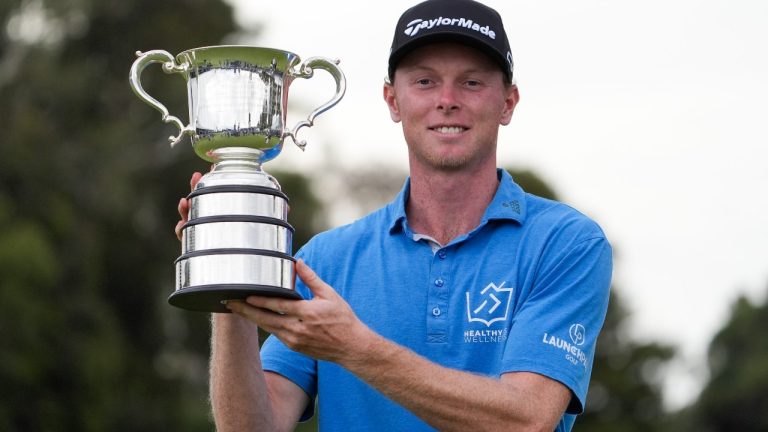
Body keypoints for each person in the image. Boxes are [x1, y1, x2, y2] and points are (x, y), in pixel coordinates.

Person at [176, 0, 612, 430]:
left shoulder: (567, 243)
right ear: (393, 100)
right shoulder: (327, 260)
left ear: (508, 102)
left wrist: (354, 347)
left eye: (472, 83)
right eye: (424, 81)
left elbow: (526, 419)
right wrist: (227, 276)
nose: (446, 100)